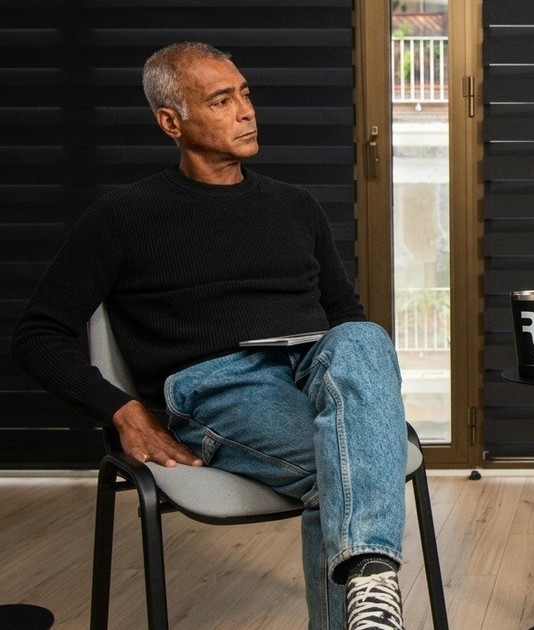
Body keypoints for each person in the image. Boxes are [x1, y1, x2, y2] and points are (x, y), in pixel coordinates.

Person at [12, 42, 410, 630]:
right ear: (171, 122)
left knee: (363, 336)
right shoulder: (122, 217)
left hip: (311, 370)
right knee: (352, 470)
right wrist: (123, 411)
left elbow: (343, 316)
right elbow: (37, 335)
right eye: (221, 101)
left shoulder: (296, 206)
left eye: (245, 94)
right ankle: (373, 581)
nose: (246, 111)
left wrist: (361, 396)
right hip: (220, 387)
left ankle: (369, 577)